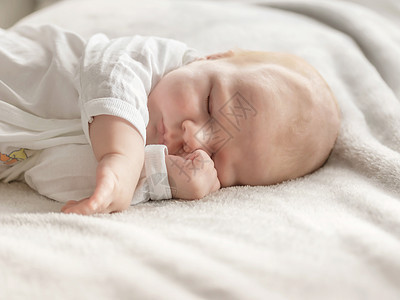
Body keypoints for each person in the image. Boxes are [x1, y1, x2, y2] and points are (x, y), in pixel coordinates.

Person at [0, 24, 340, 215]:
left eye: (217, 159)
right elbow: (109, 72)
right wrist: (124, 157)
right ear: (210, 59)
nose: (196, 139)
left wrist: (157, 176)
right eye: (210, 103)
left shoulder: (143, 167)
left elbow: (53, 177)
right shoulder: (147, 61)